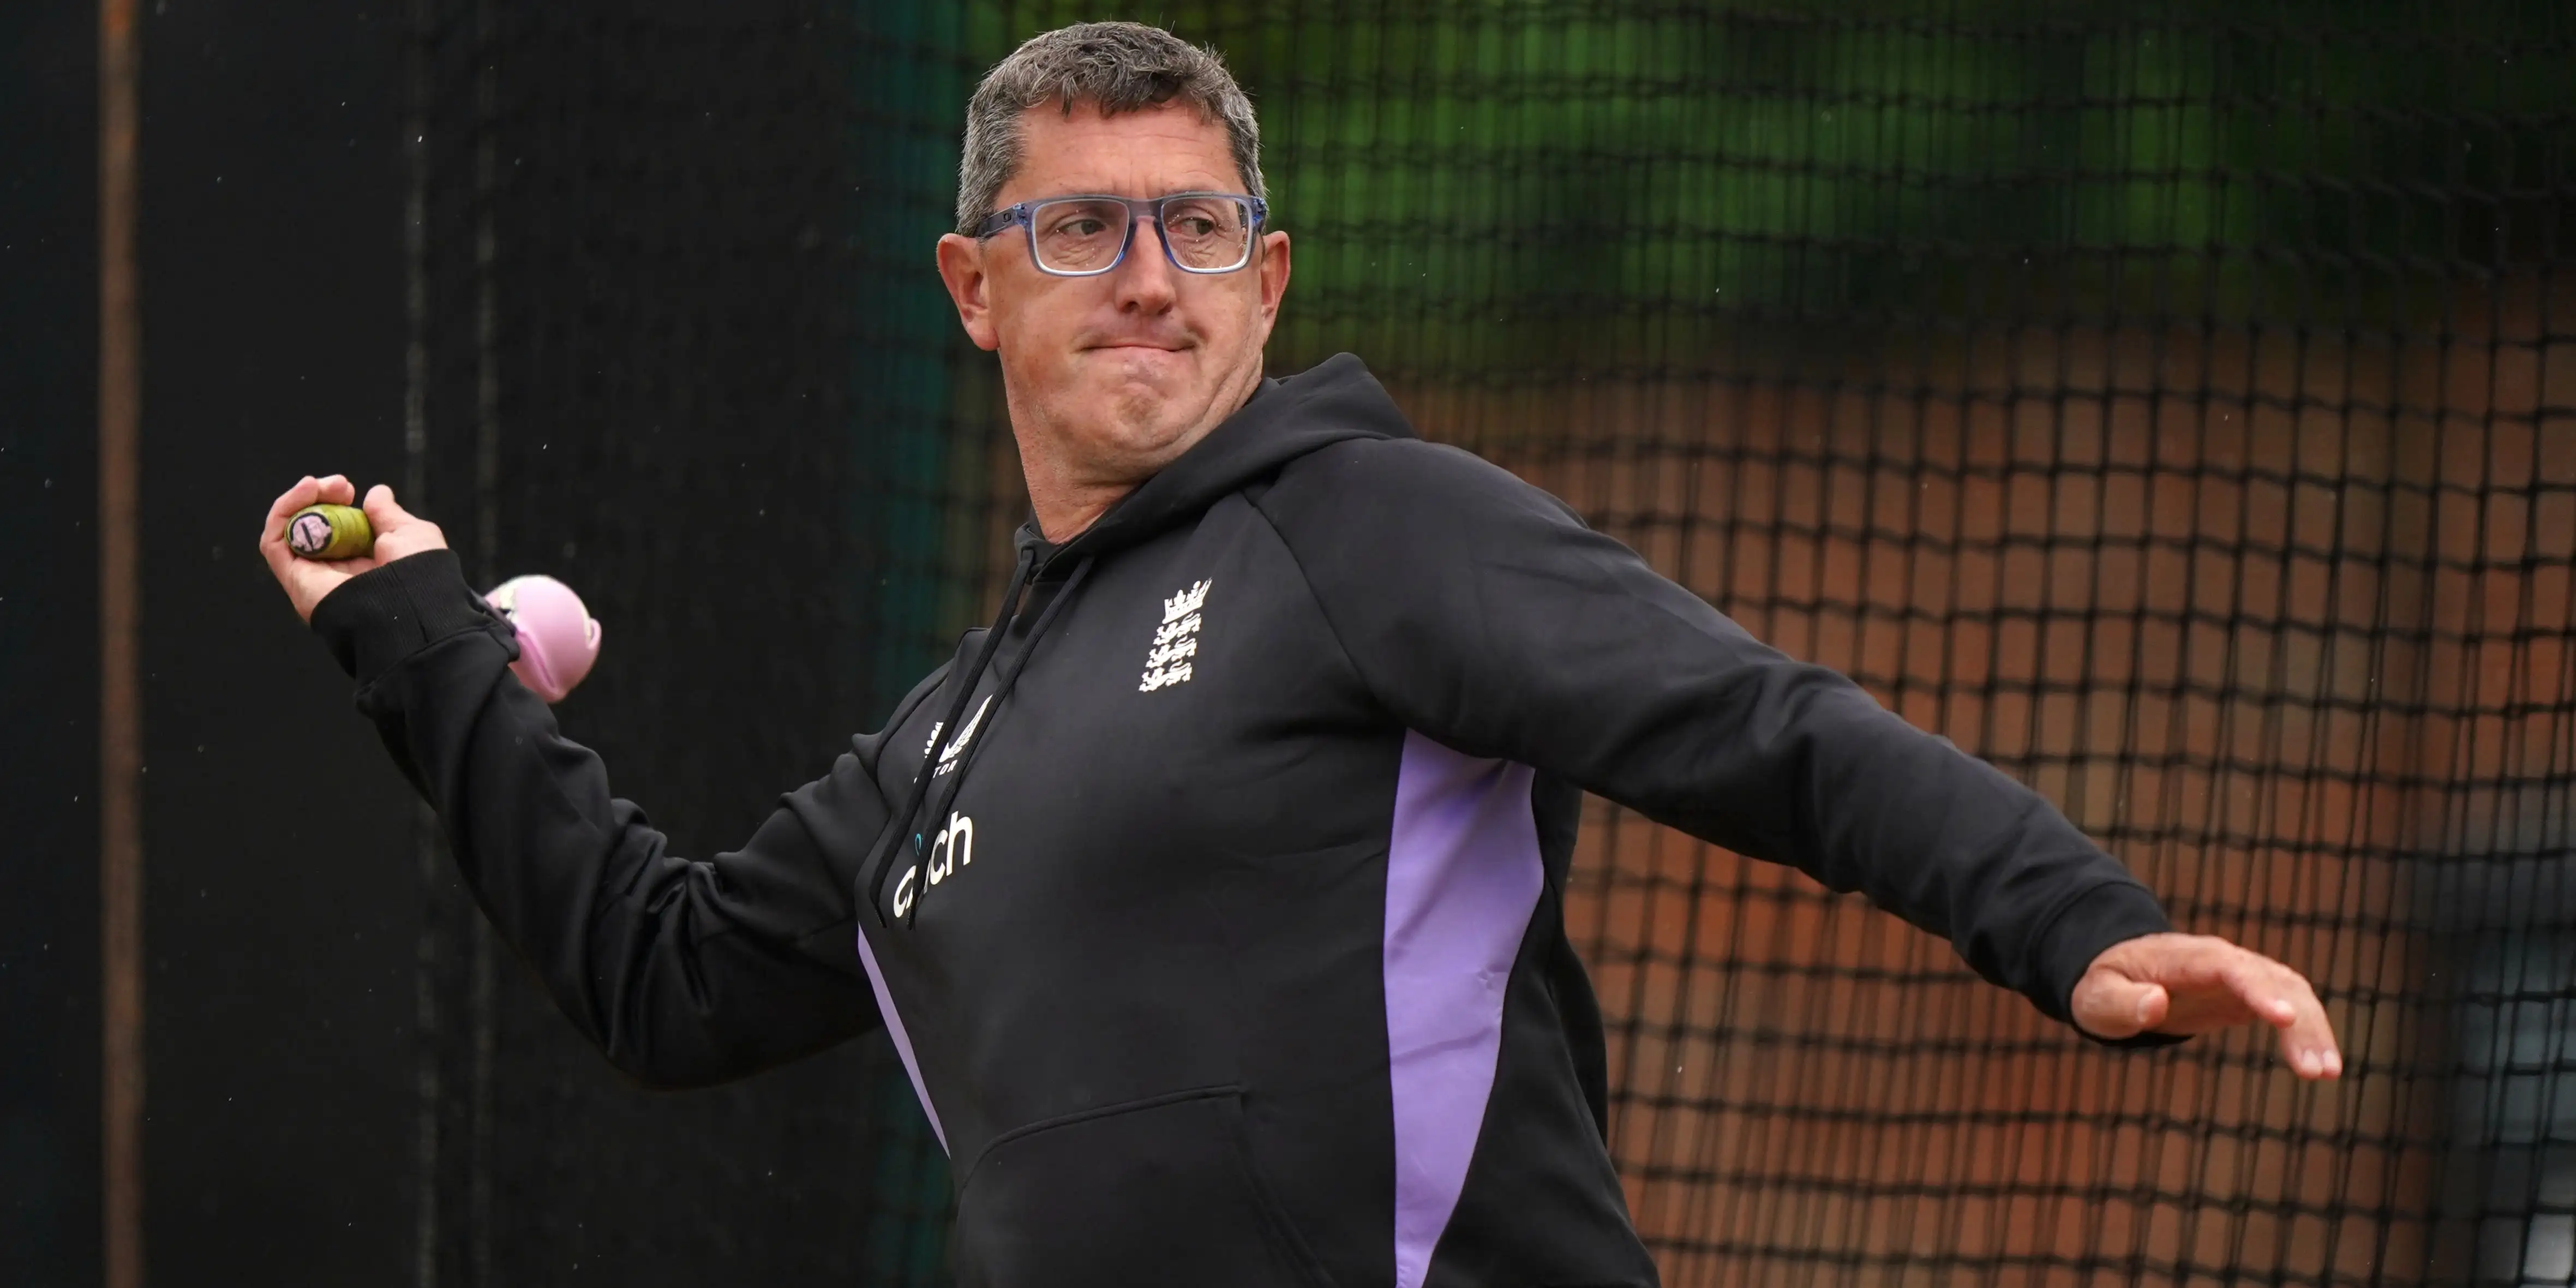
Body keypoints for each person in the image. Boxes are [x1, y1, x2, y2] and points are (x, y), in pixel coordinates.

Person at [262, 21, 2341, 1288]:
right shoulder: (936, 751)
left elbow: (1758, 727)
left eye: (1195, 228)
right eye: (1082, 229)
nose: (1145, 278)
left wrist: (2071, 919)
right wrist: (414, 636)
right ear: (976, 289)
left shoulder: (1372, 528)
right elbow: (662, 978)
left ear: (1266, 284)